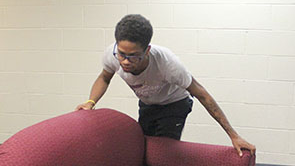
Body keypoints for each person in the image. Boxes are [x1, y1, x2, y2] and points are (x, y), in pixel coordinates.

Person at [76, 14, 255, 157]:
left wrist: (233, 135)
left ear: (147, 50)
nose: (126, 61)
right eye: (122, 54)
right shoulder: (112, 54)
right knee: (144, 147)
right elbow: (105, 78)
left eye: (133, 56)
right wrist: (91, 102)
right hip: (148, 104)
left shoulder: (168, 64)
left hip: (175, 104)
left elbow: (202, 94)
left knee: (163, 153)